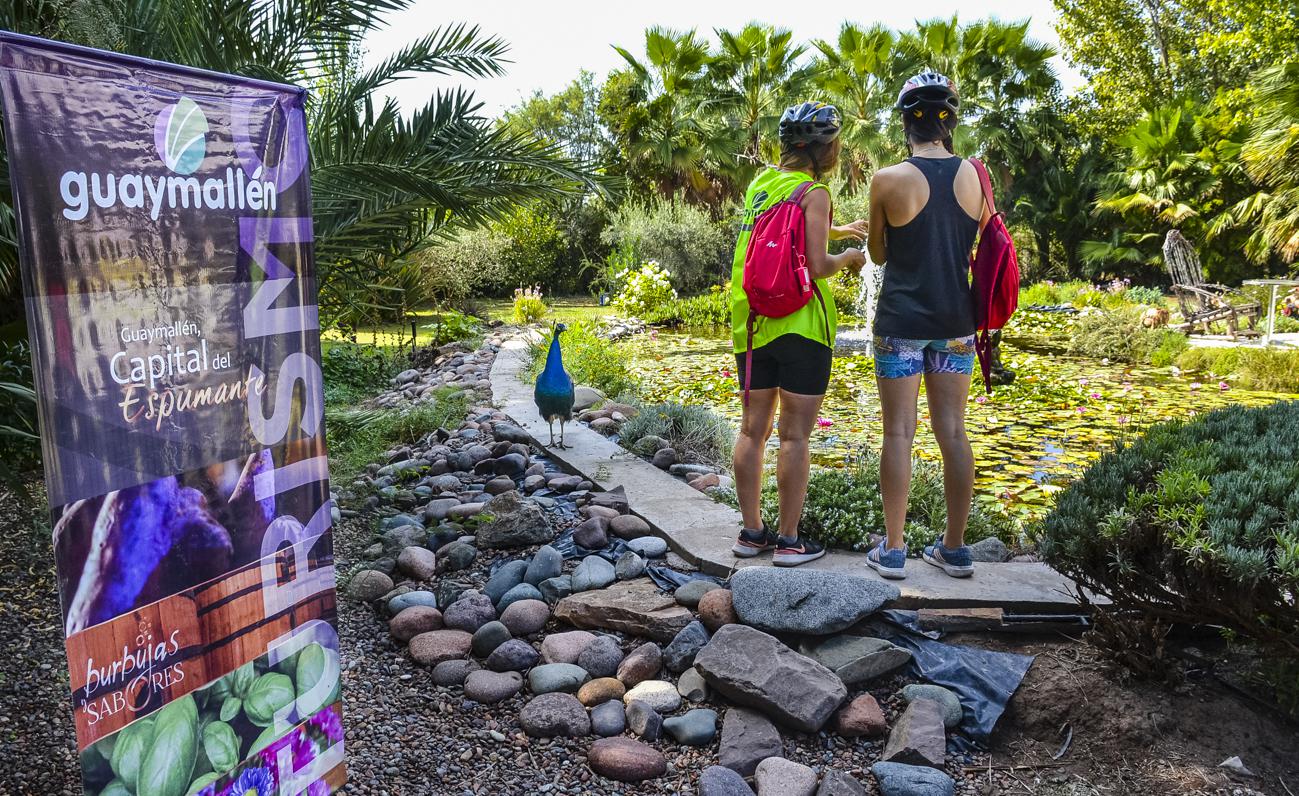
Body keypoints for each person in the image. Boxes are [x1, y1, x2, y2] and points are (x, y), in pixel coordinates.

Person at [729, 101, 868, 566]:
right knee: (794, 437)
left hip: (749, 322)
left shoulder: (762, 185)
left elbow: (778, 238)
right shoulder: (815, 193)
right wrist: (849, 257)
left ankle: (752, 533)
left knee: (753, 431)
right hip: (803, 324)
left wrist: (840, 228)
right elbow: (816, 263)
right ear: (823, 150)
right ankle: (789, 541)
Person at [864, 72, 990, 580]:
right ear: (949, 121)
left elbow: (877, 252)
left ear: (906, 123)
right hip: (956, 320)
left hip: (900, 320)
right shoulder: (976, 177)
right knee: (955, 432)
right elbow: (980, 241)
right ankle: (955, 549)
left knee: (898, 432)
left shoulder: (887, 180)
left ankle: (893, 550)